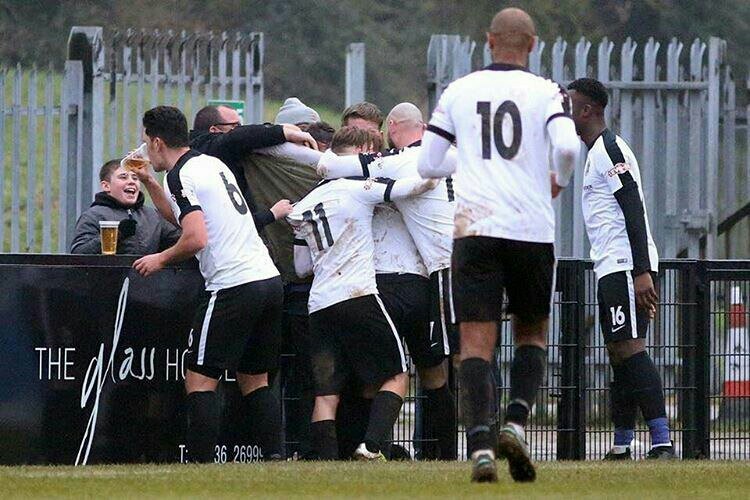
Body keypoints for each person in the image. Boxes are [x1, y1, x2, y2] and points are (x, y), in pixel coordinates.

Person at [417, 7, 580, 483]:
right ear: (532, 45)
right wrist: (559, 181)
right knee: (531, 332)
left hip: (475, 227)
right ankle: (516, 421)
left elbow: (428, 164)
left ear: (488, 41)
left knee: (475, 345)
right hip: (530, 228)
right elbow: (567, 148)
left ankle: (481, 448)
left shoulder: (459, 92)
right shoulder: (547, 91)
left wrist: (468, 160)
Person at [132, 106, 285, 463]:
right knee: (255, 378)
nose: (144, 151)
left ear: (156, 142)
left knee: (200, 379)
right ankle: (276, 458)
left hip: (233, 285)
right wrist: (151, 184)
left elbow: (195, 238)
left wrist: (160, 258)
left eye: (145, 143)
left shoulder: (182, 175)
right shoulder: (209, 164)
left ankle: (201, 466)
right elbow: (184, 216)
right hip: (267, 279)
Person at [317, 103, 459, 460]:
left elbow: (327, 165)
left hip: (397, 283)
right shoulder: (448, 159)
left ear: (388, 129)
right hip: (426, 275)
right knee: (435, 368)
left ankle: (377, 446)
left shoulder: (382, 170)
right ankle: (437, 452)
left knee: (391, 372)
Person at [289, 167, 437, 461]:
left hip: (319, 303)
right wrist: (434, 172)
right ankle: (371, 447)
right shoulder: (355, 189)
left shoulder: (304, 203)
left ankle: (327, 464)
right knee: (396, 374)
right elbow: (410, 188)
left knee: (326, 394)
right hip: (357, 294)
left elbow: (301, 267)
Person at [567, 77, 675, 460]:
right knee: (617, 352)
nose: (567, 111)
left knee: (630, 348)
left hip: (626, 265)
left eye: (571, 104)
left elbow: (632, 204)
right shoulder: (595, 151)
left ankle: (662, 441)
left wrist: (641, 271)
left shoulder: (610, 149)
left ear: (587, 110)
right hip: (611, 266)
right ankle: (621, 444)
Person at [190, 104, 317, 231]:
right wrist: (271, 215)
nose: (239, 129)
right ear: (214, 130)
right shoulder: (206, 148)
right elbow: (236, 137)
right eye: (235, 126)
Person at [70, 159, 180, 254]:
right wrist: (117, 235)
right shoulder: (93, 216)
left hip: (147, 278)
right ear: (106, 186)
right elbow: (79, 252)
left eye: (135, 178)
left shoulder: (153, 216)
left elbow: (178, 240)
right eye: (123, 177)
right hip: (107, 278)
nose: (131, 182)